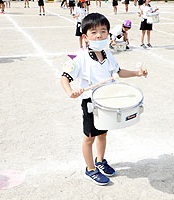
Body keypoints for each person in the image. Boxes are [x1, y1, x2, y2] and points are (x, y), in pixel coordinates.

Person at [61, 13, 148, 185]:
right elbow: (65, 77)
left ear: (108, 33)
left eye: (103, 31)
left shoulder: (108, 55)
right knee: (89, 137)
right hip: (91, 104)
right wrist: (70, 91)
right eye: (94, 32)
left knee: (103, 133)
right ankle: (90, 169)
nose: (99, 35)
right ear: (85, 37)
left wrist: (137, 73)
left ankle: (100, 160)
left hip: (107, 102)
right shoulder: (80, 58)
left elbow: (119, 72)